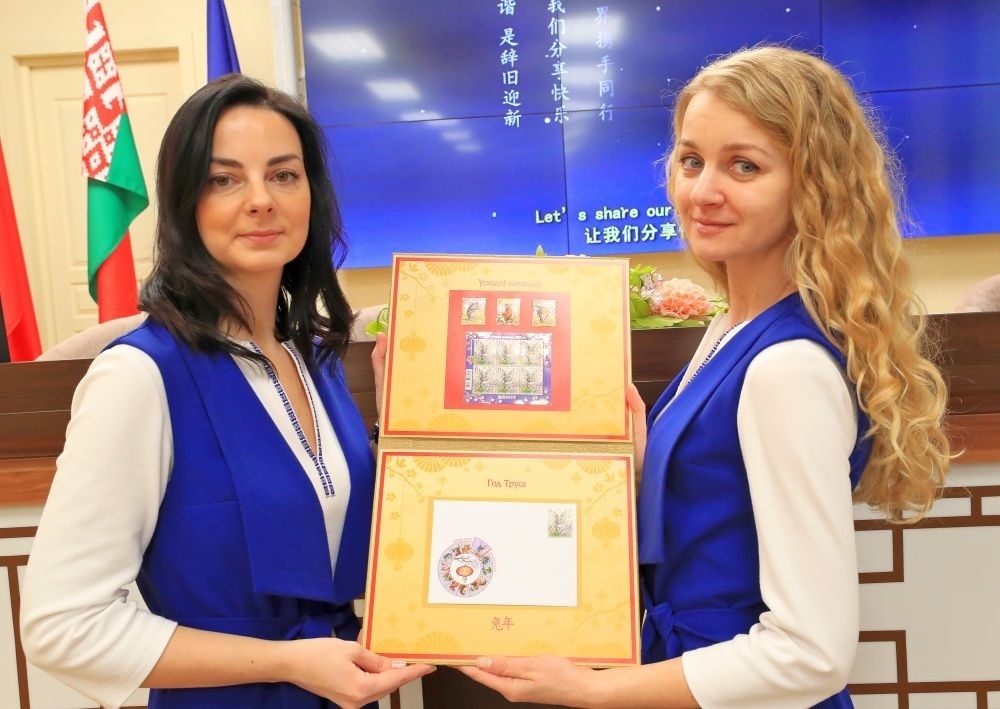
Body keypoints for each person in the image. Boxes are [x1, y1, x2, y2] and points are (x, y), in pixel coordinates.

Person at [460, 45, 951, 708]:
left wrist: (594, 691)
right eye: (692, 160)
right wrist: (642, 468)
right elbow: (718, 519)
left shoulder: (786, 367)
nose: (702, 191)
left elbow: (811, 654)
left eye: (744, 166)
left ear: (814, 186)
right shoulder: (731, 326)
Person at [20, 74, 433, 709]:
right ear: (185, 203)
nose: (261, 200)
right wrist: (287, 662)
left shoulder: (314, 361)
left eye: (284, 174)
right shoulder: (139, 376)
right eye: (224, 179)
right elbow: (62, 627)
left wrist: (408, 431)